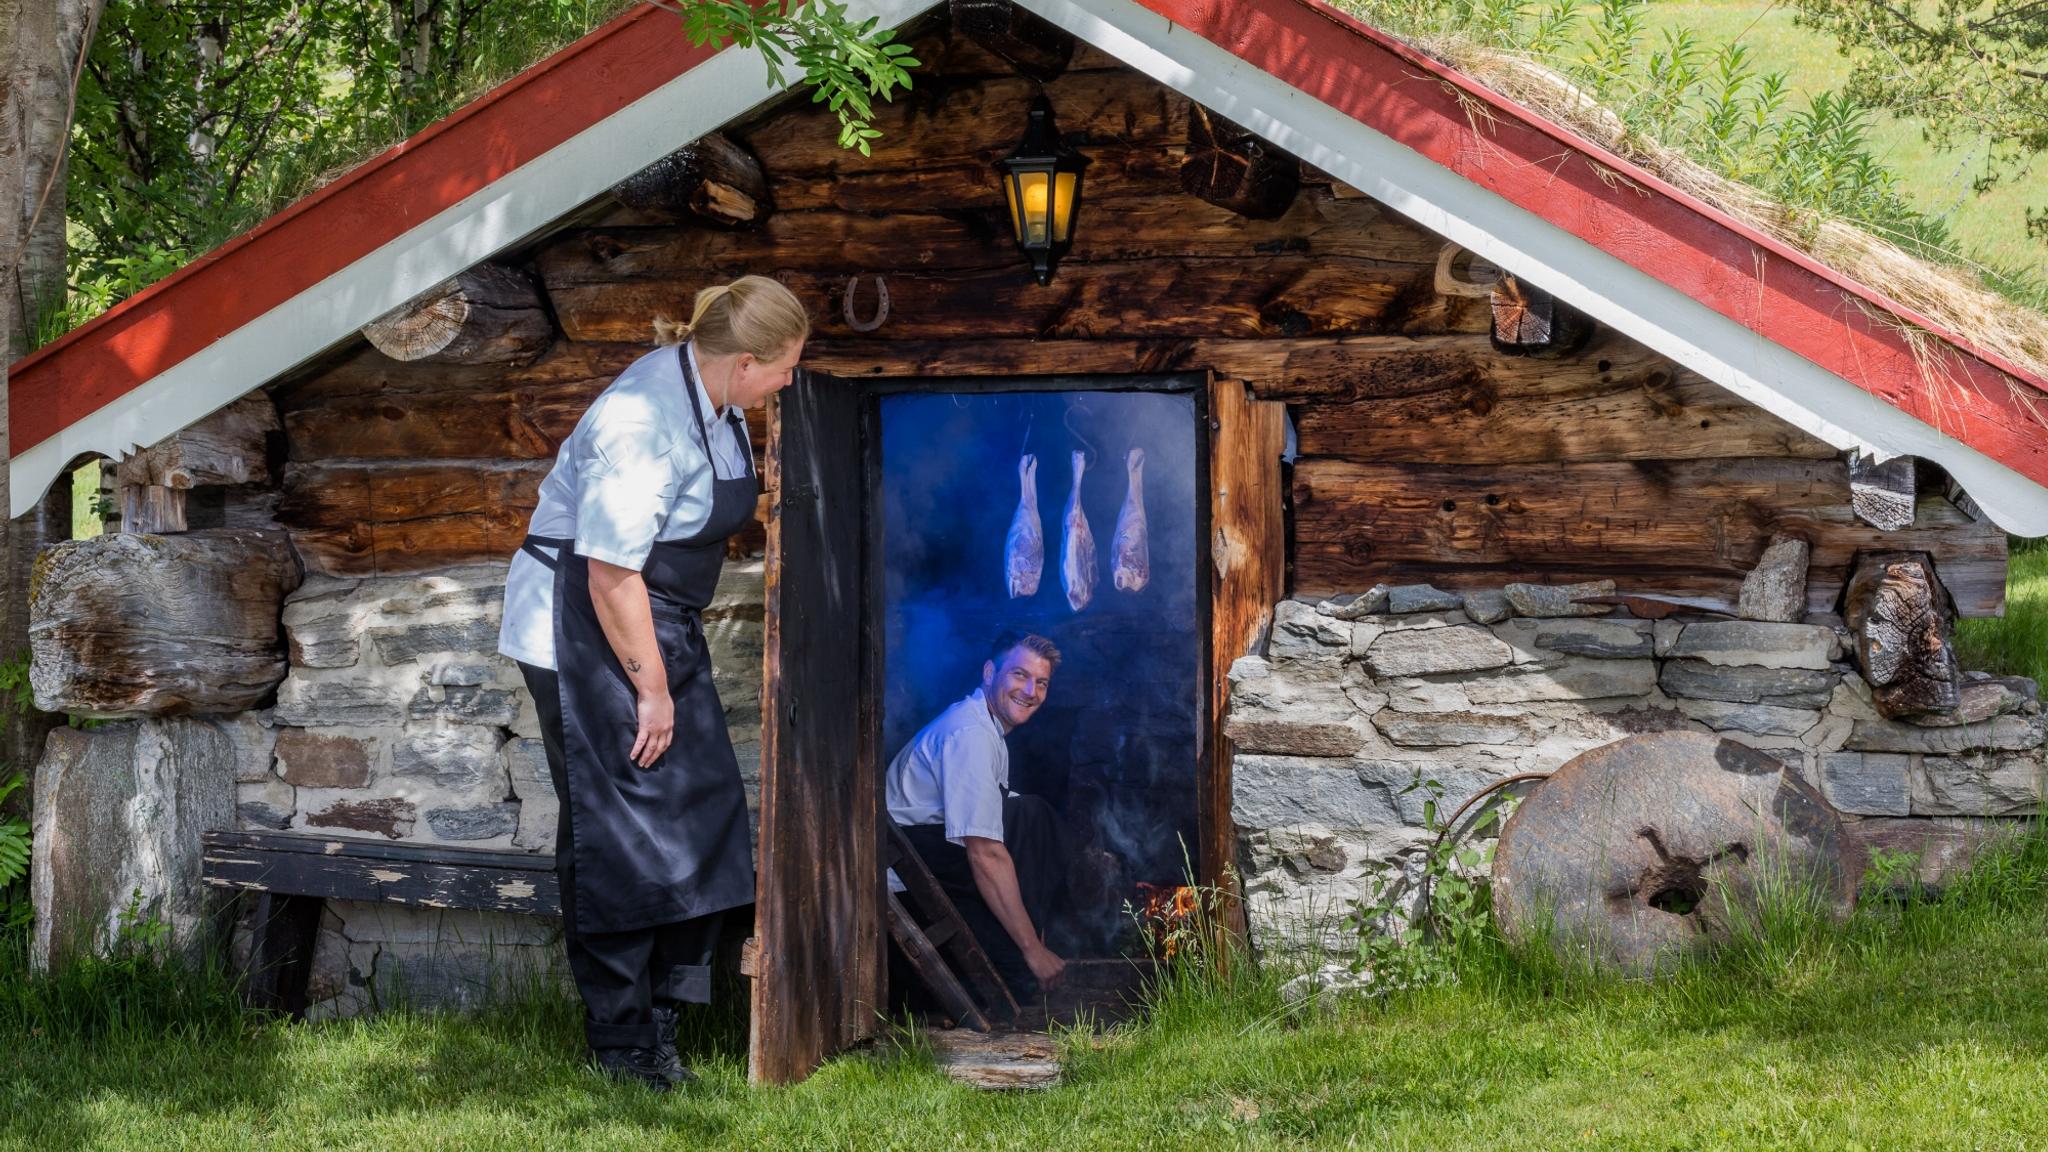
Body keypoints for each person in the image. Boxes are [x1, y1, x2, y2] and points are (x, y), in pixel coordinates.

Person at [497, 275, 808, 1090]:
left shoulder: (716, 400)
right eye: (783, 370)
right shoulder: (640, 424)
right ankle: (623, 1043)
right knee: (620, 830)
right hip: (587, 624)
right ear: (744, 362)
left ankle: (666, 1015)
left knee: (703, 812)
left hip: (652, 620)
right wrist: (654, 690)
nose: (787, 384)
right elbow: (608, 575)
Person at [887, 632, 1077, 1000]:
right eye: (1019, 675)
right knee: (1031, 818)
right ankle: (1031, 952)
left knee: (1032, 817)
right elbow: (984, 852)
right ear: (990, 672)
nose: (1030, 691)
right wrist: (1031, 950)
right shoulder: (971, 733)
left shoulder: (986, 728)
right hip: (910, 873)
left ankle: (1031, 943)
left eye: (1041, 683)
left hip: (936, 856)